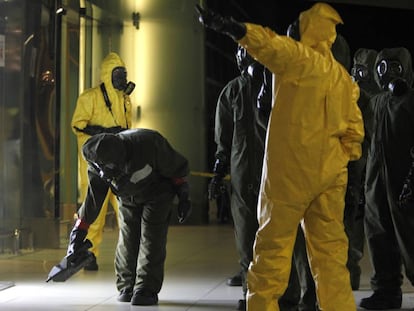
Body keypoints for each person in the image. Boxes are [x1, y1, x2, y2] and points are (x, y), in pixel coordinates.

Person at [196, 2, 364, 311]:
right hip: (329, 179)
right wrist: (336, 161)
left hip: (288, 175)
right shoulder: (343, 80)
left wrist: (233, 28)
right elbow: (355, 135)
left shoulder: (298, 59)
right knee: (330, 260)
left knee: (270, 256)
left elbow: (267, 44)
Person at [209, 45, 317, 311]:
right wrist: (218, 174)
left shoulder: (281, 88)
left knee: (282, 238)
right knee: (247, 239)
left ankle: (289, 296)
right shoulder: (232, 92)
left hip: (278, 176)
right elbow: (223, 143)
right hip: (244, 178)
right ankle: (254, 295)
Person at [66, 128, 192, 306]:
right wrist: (78, 231)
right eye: (100, 168)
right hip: (127, 196)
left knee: (151, 237)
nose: (103, 173)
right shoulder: (96, 159)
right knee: (127, 237)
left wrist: (184, 196)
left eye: (108, 168)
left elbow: (178, 169)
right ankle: (127, 285)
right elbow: (93, 199)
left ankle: (146, 288)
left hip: (158, 193)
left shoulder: (149, 144)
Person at [360, 47, 414, 310]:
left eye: (394, 67)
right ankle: (386, 290)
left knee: (410, 237)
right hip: (377, 183)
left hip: (404, 182)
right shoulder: (377, 102)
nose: (387, 74)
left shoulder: (411, 102)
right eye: (382, 68)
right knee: (378, 235)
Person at [71, 52, 133, 270]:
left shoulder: (125, 99)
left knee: (126, 207)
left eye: (123, 74)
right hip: (95, 162)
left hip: (119, 162)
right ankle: (88, 253)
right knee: (94, 209)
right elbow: (78, 124)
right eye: (118, 74)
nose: (122, 78)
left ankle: (130, 252)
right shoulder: (89, 97)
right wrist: (103, 133)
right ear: (108, 75)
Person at [345, 48, 379, 290]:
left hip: (370, 171)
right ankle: (350, 275)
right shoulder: (351, 95)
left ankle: (381, 281)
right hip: (357, 171)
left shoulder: (374, 98)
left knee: (378, 229)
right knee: (353, 226)